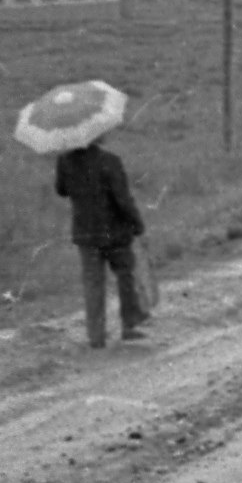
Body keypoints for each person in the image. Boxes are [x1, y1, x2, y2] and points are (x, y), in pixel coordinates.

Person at [53, 131, 148, 349]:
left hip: (86, 234)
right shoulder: (110, 161)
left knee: (93, 284)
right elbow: (123, 199)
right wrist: (137, 224)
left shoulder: (65, 161)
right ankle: (129, 323)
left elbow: (61, 190)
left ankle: (96, 336)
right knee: (125, 275)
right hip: (114, 231)